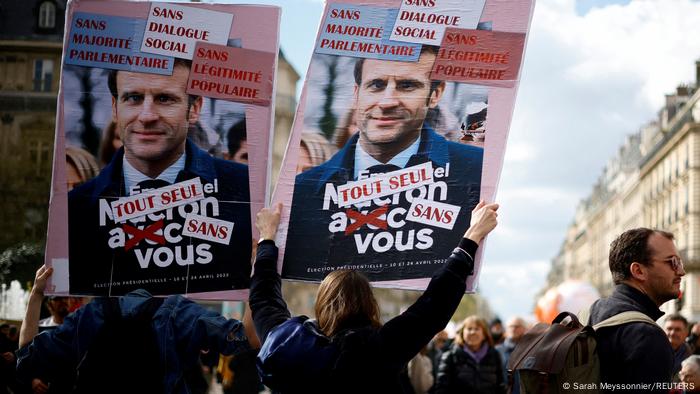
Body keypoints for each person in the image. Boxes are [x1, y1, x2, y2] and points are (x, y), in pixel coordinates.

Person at [250, 200, 499, 393]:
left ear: (322, 302)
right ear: (369, 303)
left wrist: (267, 238)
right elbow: (433, 307)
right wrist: (471, 237)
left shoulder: (286, 346)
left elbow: (264, 298)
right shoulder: (375, 349)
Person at [284, 45, 484, 282]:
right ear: (357, 93)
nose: (387, 101)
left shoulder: (474, 170)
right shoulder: (302, 192)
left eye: (407, 85)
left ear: (436, 94)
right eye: (377, 85)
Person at [68, 59, 252, 296]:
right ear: (115, 108)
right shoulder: (76, 209)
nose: (146, 116)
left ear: (194, 109)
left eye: (164, 99)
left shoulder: (246, 191)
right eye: (133, 98)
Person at [16, 286, 254, 394]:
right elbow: (246, 337)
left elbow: (26, 359)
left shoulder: (92, 312)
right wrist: (258, 281)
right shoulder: (178, 310)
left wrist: (37, 294)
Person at [588, 228, 684, 389]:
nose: (681, 271)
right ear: (638, 271)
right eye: (672, 262)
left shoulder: (589, 313)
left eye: (679, 263)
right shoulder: (647, 336)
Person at [434, 316, 506, 394]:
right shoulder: (450, 356)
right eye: (469, 329)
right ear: (462, 334)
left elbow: (500, 385)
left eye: (476, 329)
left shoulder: (494, 355)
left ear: (484, 334)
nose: (472, 332)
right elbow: (441, 388)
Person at [496, 316, 527, 394]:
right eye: (510, 326)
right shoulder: (497, 350)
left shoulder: (530, 350)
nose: (513, 328)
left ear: (524, 329)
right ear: (506, 329)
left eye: (517, 326)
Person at [666, 314, 694, 379]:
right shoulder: (652, 350)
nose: (672, 333)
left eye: (677, 329)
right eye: (669, 329)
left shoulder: (690, 354)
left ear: (686, 333)